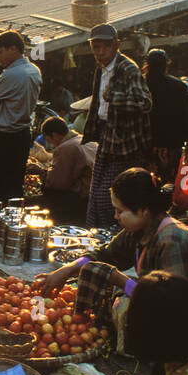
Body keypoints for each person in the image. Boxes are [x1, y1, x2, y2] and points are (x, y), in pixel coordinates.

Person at [40, 167, 188, 358]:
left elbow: (175, 306)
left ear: (143, 210)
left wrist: (119, 280)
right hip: (176, 314)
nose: (115, 216)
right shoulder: (139, 230)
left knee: (124, 304)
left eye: (120, 211)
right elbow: (104, 254)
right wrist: (68, 270)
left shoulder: (173, 241)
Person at [82, 24, 152, 227]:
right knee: (95, 194)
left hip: (124, 144)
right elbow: (98, 104)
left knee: (109, 197)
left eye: (105, 46)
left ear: (117, 45)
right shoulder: (101, 69)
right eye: (96, 47)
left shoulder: (128, 68)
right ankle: (95, 237)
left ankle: (114, 237)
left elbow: (145, 103)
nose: (101, 52)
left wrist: (116, 98)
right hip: (106, 136)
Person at [0, 31, 42, 205]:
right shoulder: (34, 70)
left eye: (0, 52)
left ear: (13, 49)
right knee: (13, 183)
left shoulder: (12, 74)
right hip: (22, 135)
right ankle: (11, 222)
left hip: (6, 136)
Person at [26, 117, 93, 224]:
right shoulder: (82, 139)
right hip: (91, 193)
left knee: (46, 195)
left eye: (50, 140)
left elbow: (58, 183)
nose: (52, 145)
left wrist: (39, 170)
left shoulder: (67, 147)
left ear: (55, 135)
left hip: (82, 198)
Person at [144, 48, 188, 184]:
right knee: (169, 182)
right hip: (172, 144)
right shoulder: (179, 86)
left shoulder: (141, 84)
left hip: (146, 144)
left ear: (147, 64)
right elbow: (186, 116)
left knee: (146, 181)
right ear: (167, 65)